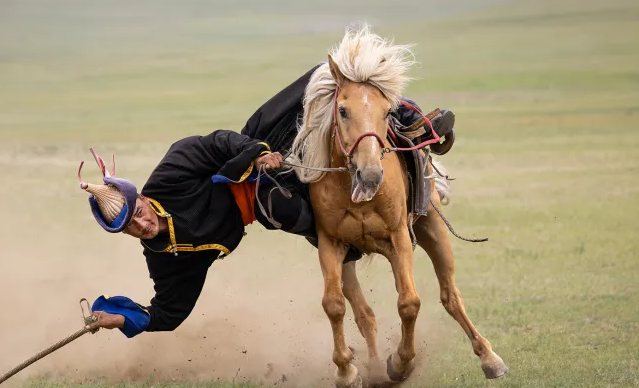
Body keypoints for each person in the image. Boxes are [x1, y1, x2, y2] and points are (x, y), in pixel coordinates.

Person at [82, 63, 454, 337]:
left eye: (138, 213)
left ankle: (412, 121)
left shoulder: (169, 175)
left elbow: (214, 143)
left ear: (142, 198)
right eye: (132, 228)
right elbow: (168, 312)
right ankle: (348, 242)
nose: (142, 225)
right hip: (264, 200)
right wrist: (120, 318)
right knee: (283, 208)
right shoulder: (166, 258)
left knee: (322, 79)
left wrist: (256, 152)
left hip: (262, 147)